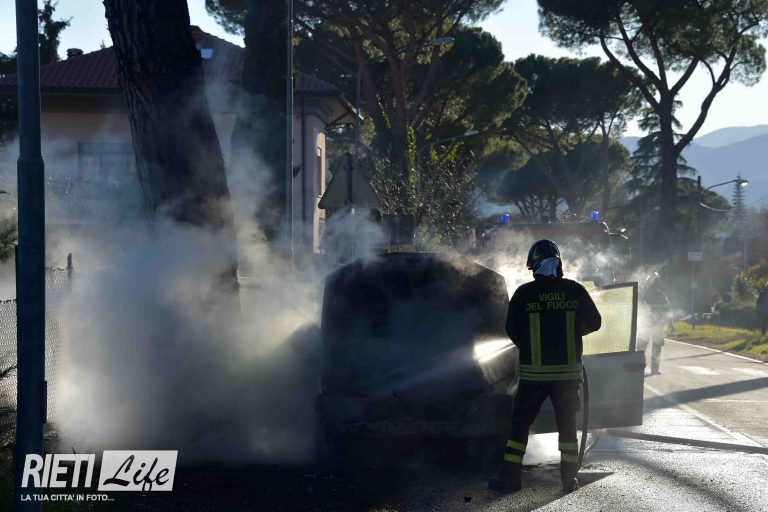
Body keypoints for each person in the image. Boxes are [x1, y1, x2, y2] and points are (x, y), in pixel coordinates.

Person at [488, 239, 601, 494]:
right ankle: (569, 479)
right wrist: (572, 332)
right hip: (567, 376)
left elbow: (512, 330)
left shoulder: (524, 294)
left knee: (519, 427)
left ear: (534, 266)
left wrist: (530, 346)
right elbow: (595, 322)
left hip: (533, 377)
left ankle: (510, 479)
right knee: (567, 428)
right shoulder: (574, 291)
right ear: (558, 264)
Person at [642, 273, 671, 375]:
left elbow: (668, 309)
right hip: (646, 324)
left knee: (655, 347)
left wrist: (669, 322)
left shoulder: (661, 296)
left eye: (656, 282)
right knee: (642, 347)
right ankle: (642, 368)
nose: (655, 284)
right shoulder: (644, 295)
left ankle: (653, 369)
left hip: (655, 325)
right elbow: (639, 309)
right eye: (654, 282)